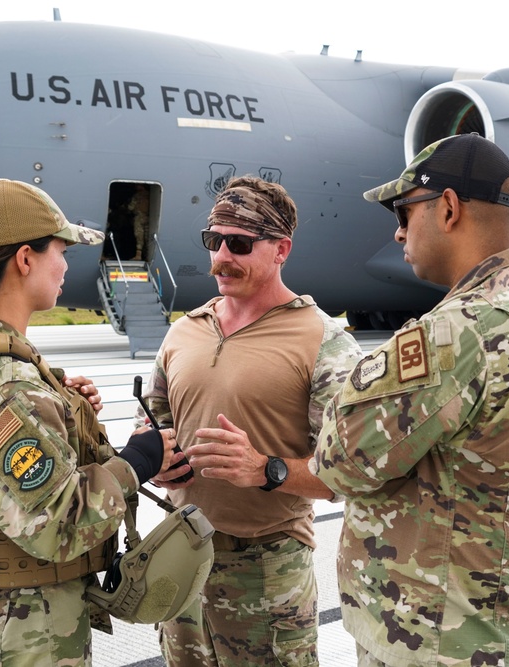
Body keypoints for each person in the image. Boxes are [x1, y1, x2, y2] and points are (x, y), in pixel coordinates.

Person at [313, 134, 509, 667]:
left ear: (450, 208)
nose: (397, 232)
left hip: (435, 637)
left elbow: (340, 460)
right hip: (487, 625)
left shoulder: (464, 329)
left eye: (404, 212)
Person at [0, 178, 178, 666]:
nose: (64, 266)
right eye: (61, 250)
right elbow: (58, 524)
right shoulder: (11, 385)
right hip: (20, 634)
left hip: (3, 627)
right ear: (24, 259)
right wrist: (140, 460)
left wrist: (67, 416)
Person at [143, 175, 363, 666]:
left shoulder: (322, 341)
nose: (221, 256)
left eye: (239, 244)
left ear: (281, 248)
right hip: (181, 558)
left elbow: (351, 473)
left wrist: (266, 468)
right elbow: (154, 425)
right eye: (213, 241)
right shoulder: (184, 332)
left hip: (266, 571)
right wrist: (156, 459)